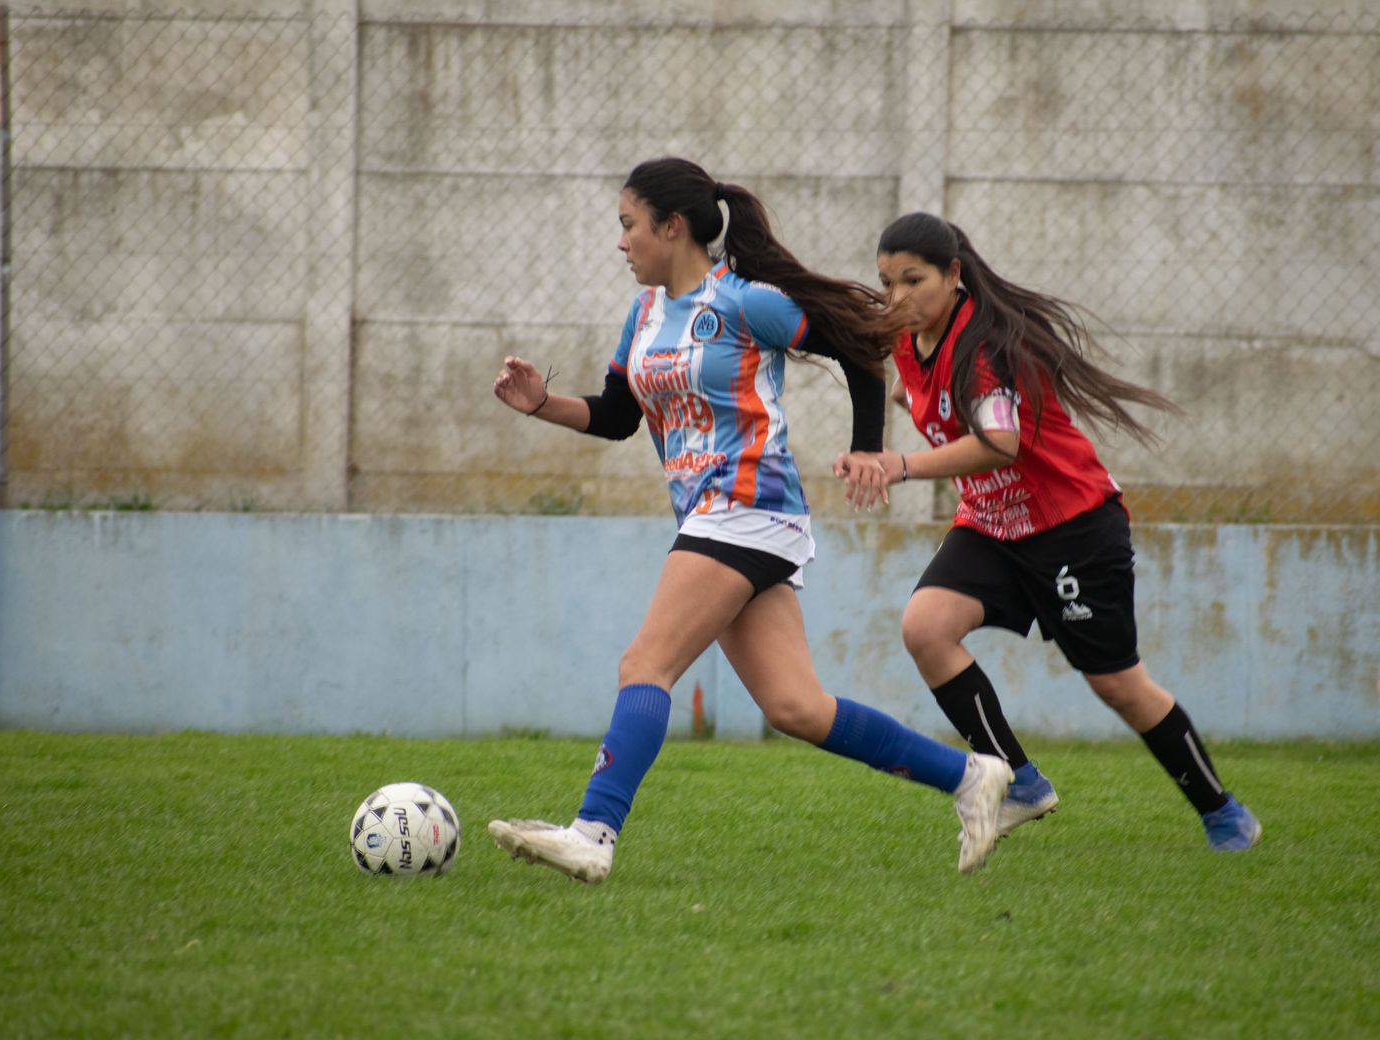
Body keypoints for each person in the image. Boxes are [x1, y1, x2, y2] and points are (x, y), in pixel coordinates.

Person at [485, 160, 1013, 884]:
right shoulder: (642, 316)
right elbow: (615, 417)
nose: (621, 243)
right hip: (717, 518)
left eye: (628, 225)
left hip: (747, 507)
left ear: (672, 228)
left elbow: (859, 350)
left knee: (646, 665)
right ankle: (970, 776)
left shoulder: (743, 302)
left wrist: (868, 449)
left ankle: (593, 832)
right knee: (796, 706)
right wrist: (544, 403)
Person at [834, 211, 1261, 851]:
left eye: (912, 280)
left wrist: (899, 464)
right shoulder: (908, 338)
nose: (896, 298)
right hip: (991, 526)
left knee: (1118, 685)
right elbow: (904, 391)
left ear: (954, 275)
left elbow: (1000, 443)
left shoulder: (985, 346)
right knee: (925, 627)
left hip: (1073, 528)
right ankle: (1020, 782)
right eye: (886, 282)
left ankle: (1221, 812)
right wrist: (872, 438)